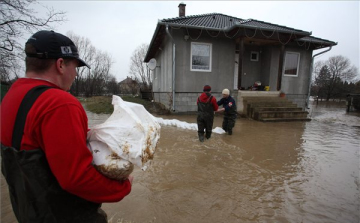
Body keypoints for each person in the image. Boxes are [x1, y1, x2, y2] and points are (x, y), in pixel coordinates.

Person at [0, 30, 132, 223]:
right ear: (60, 64)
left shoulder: (11, 96)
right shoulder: (60, 103)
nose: (76, 74)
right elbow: (77, 178)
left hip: (28, 213)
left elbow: (36, 141)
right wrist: (124, 186)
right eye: (75, 66)